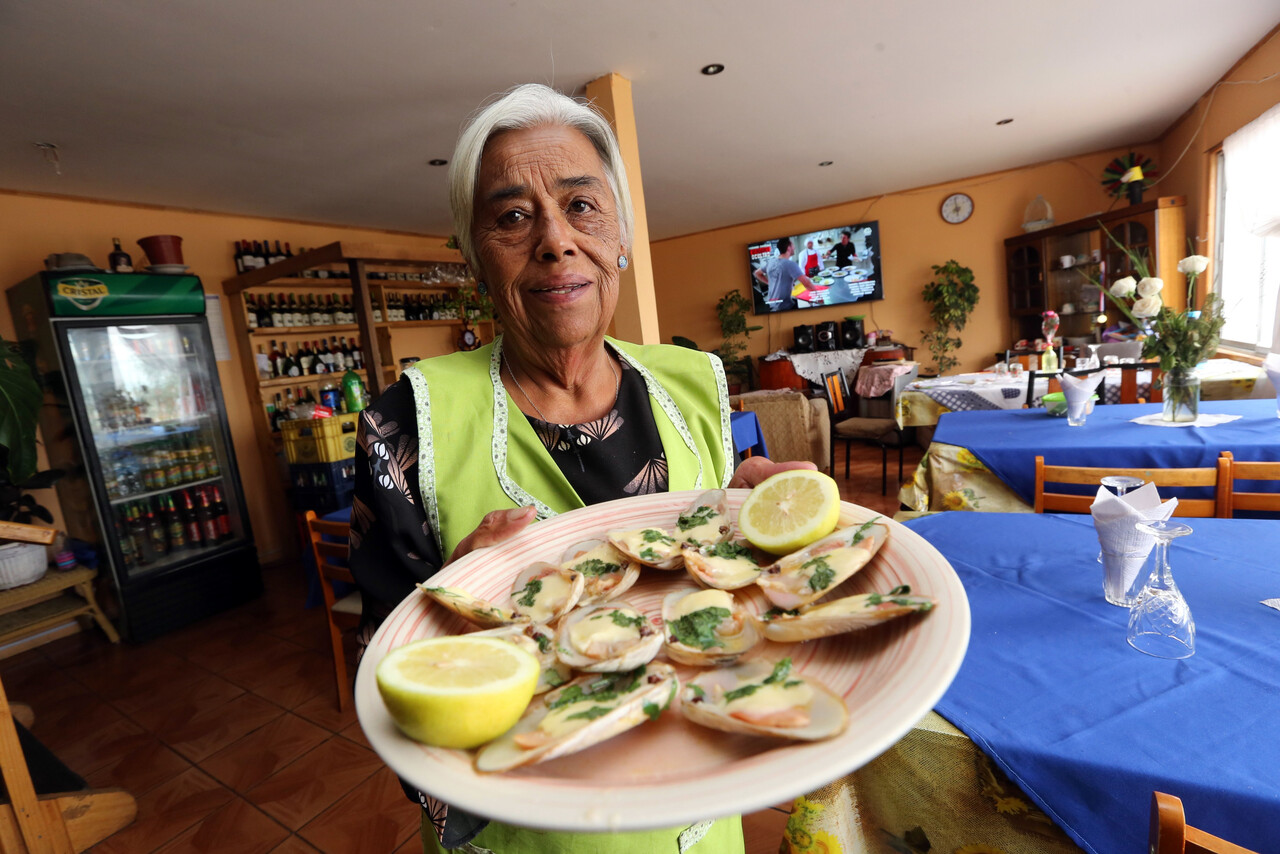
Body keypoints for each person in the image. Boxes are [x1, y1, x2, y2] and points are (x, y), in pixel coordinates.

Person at [348, 82, 814, 854]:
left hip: (699, 810)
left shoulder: (693, 379)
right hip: (527, 828)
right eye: (512, 217)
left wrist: (757, 527)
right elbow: (382, 677)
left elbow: (742, 595)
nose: (555, 240)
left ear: (622, 236)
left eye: (581, 206)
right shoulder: (403, 426)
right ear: (474, 257)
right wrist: (446, 603)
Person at [753, 236, 812, 311]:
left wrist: (770, 283)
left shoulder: (770, 262)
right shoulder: (790, 264)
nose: (794, 247)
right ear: (788, 248)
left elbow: (757, 273)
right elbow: (807, 284)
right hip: (784, 306)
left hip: (772, 304)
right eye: (793, 245)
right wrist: (819, 296)